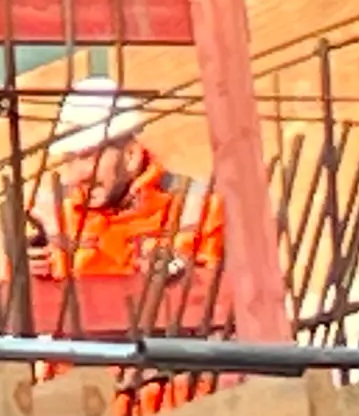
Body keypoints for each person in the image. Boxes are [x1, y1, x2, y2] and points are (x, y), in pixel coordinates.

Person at [31, 78, 223, 319]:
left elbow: (223, 307)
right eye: (69, 159)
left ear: (131, 156)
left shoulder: (199, 208)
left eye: (88, 157)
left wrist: (179, 278)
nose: (76, 175)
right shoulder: (49, 216)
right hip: (81, 357)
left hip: (167, 355)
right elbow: (24, 321)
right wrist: (31, 278)